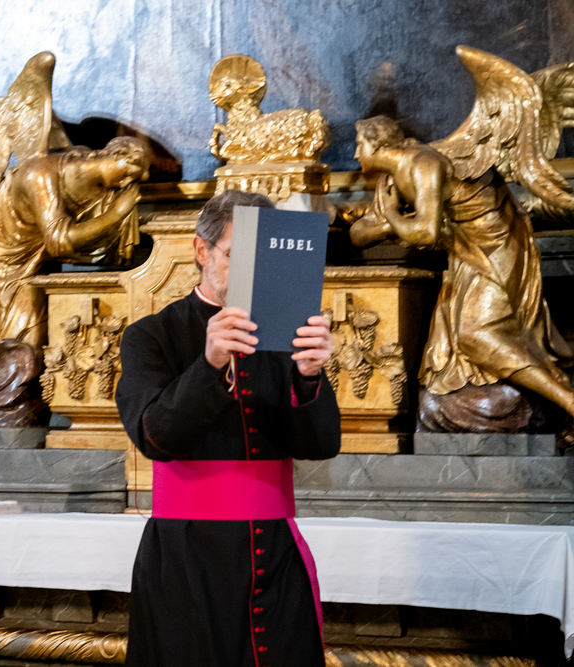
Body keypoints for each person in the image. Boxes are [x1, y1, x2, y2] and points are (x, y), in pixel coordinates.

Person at [115, 189, 341, 666]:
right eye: (236, 256)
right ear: (202, 250)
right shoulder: (151, 336)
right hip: (186, 558)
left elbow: (321, 445)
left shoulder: (285, 335)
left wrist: (309, 375)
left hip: (274, 555)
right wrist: (210, 363)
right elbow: (154, 436)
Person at [350, 116, 574, 439]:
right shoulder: (391, 179)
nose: (355, 153)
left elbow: (426, 232)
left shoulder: (424, 164)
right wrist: (389, 223)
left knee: (475, 335)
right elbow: (358, 233)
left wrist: (394, 218)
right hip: (461, 254)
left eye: (360, 144)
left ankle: (566, 400)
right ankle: (558, 398)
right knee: (459, 353)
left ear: (378, 145)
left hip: (496, 246)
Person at [0, 137, 151, 424]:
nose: (129, 182)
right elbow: (60, 241)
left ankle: (7, 413)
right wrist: (117, 214)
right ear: (113, 154)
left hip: (33, 257)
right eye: (129, 171)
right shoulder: (40, 175)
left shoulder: (97, 182)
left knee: (30, 348)